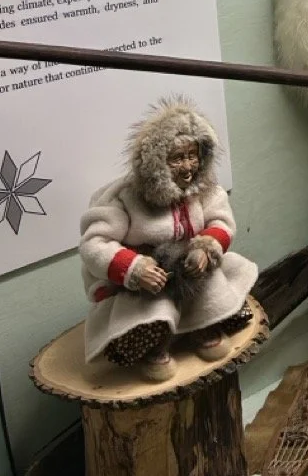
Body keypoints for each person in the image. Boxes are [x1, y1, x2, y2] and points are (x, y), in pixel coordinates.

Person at [79, 98, 258, 382]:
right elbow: (94, 243)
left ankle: (201, 327)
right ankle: (153, 346)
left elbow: (221, 221)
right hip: (150, 284)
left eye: (192, 155)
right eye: (177, 158)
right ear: (156, 163)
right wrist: (135, 268)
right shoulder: (125, 198)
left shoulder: (205, 191)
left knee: (215, 297)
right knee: (153, 313)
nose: (188, 167)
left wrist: (205, 249)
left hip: (192, 273)